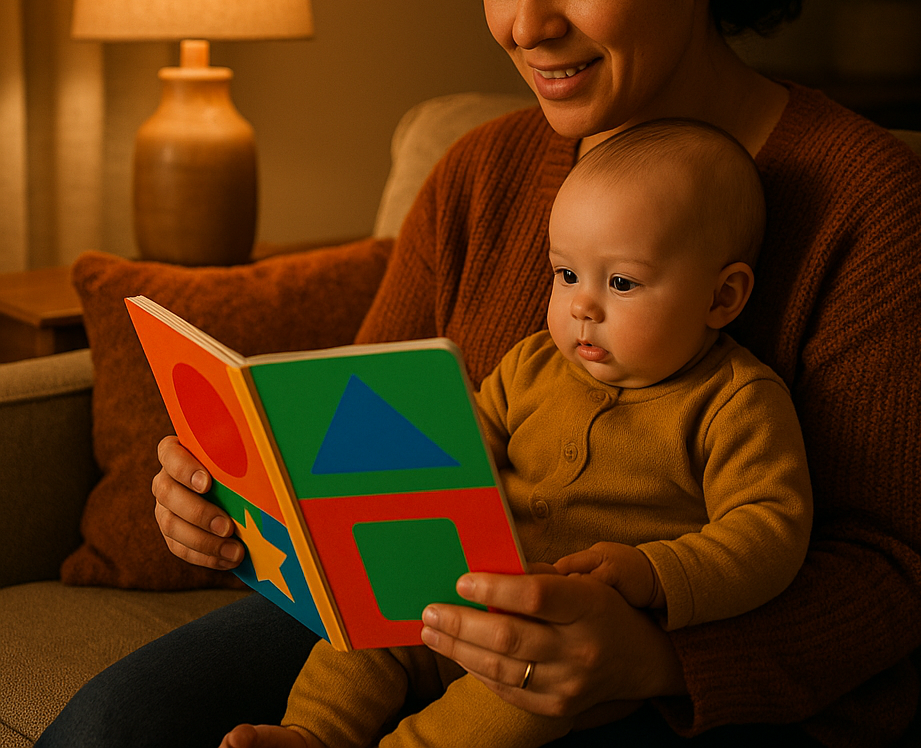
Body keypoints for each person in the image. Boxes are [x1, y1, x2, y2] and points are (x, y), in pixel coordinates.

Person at [38, 0, 921, 748]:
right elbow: (369, 436)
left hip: (684, 692)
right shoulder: (481, 171)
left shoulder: (877, 215)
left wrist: (652, 656)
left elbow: (892, 572)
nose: (527, 23)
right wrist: (245, 509)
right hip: (427, 616)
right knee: (110, 727)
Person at [220, 119, 813, 748]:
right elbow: (467, 446)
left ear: (722, 297)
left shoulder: (734, 402)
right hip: (460, 592)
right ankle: (312, 734)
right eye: (565, 275)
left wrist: (655, 571)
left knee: (510, 706)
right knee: (364, 637)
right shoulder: (533, 363)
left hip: (565, 649)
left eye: (622, 282)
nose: (584, 306)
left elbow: (769, 528)